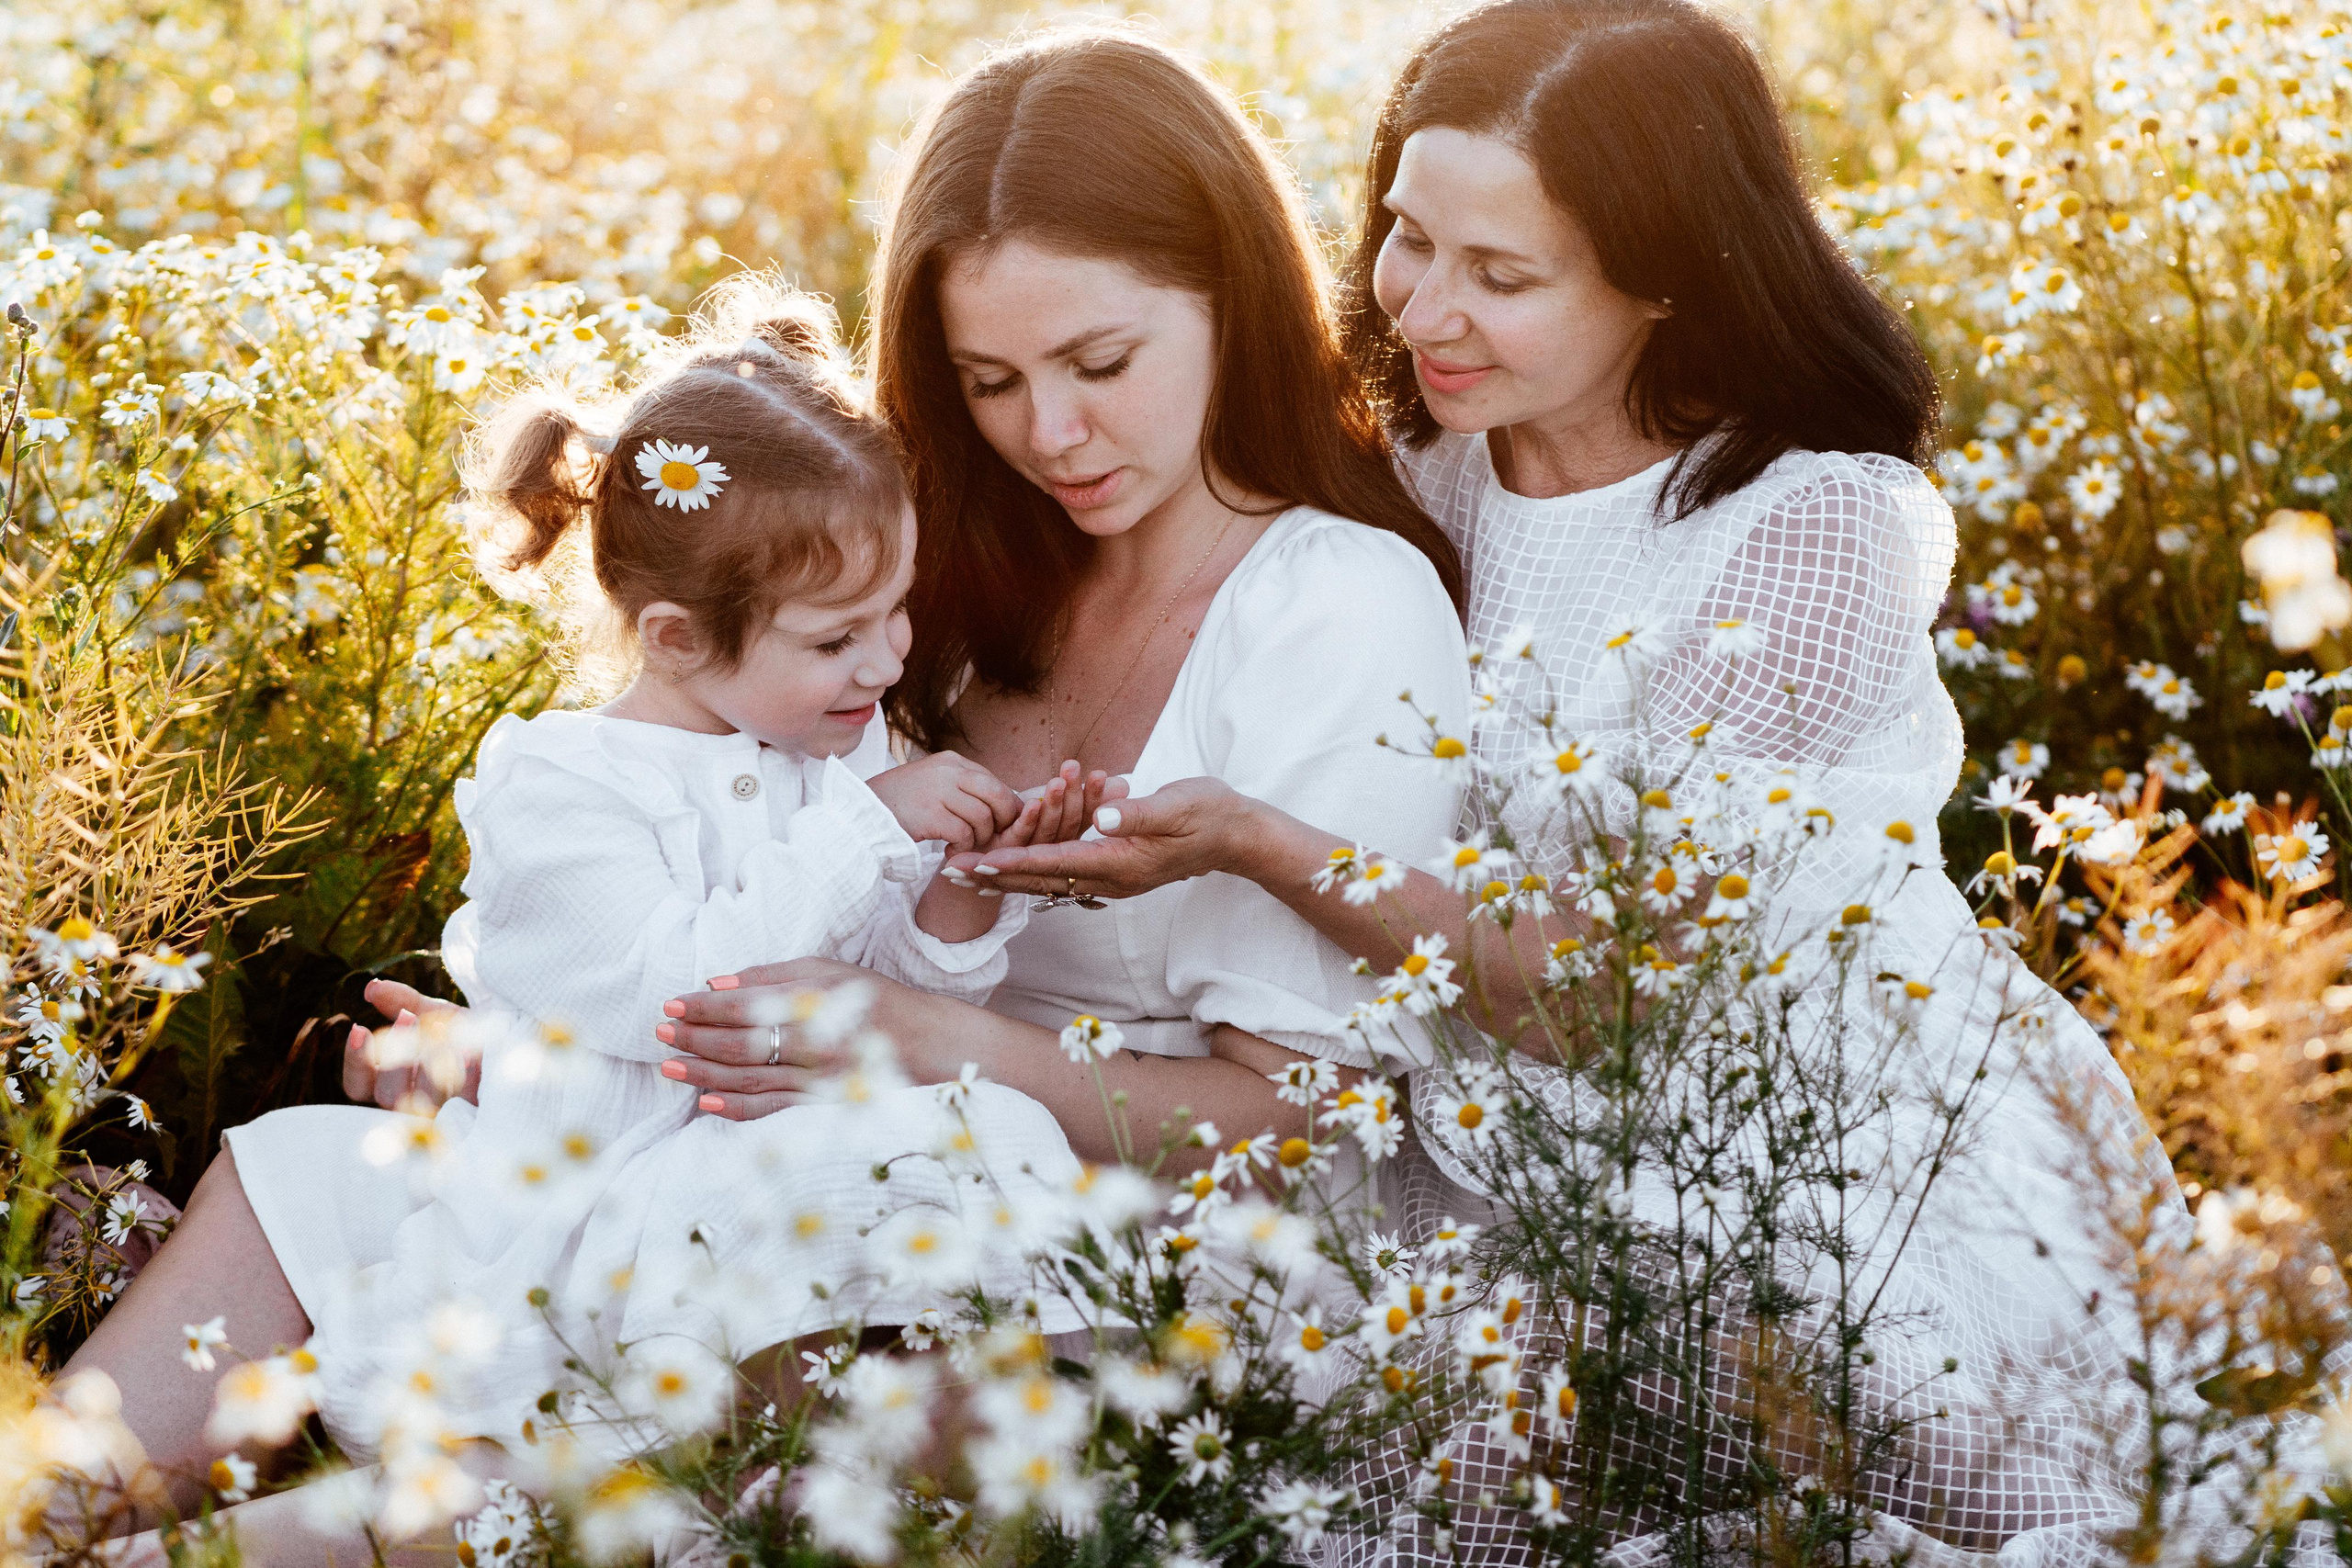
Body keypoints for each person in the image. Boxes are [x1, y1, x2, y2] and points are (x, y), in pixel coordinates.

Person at [55, 29, 1469, 1564]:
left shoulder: (1334, 606)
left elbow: (1304, 1131)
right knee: (306, 1185)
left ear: (1230, 296)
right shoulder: (930, 560)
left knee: (595, 1418)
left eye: (1102, 364)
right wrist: (562, 1045)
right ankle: (43, 1516)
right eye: (989, 380)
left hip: (1079, 1259)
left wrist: (933, 1045)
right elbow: (729, 859)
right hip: (769, 1144)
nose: (1050, 434)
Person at [947, 0, 2190, 1561]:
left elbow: (1592, 1002)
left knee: (1979, 1494)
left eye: (1503, 276)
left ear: (1663, 279)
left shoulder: (1810, 534)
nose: (1421, 312)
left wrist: (1258, 845)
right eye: (1408, 237)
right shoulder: (1408, 473)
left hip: (1782, 1128)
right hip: (1478, 1134)